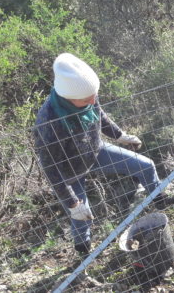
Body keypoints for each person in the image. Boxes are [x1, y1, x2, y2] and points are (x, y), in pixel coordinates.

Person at [33, 53, 165, 256]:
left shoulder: (86, 94)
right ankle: (84, 252)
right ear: (69, 97)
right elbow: (50, 167)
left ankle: (162, 203)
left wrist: (120, 136)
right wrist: (72, 203)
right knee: (81, 217)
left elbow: (100, 114)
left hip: (96, 151)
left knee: (146, 166)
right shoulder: (49, 121)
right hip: (70, 173)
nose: (93, 100)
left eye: (94, 95)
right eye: (87, 99)